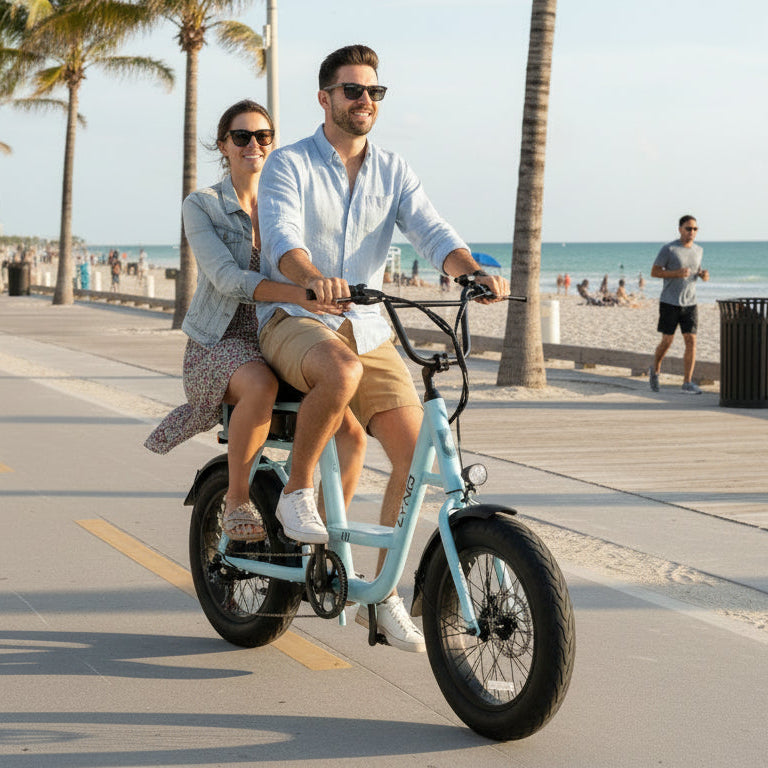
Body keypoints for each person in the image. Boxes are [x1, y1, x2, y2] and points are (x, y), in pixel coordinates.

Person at [256, 44, 509, 652]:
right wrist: (311, 275)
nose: (365, 100)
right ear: (325, 98)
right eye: (352, 90)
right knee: (338, 373)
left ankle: (383, 592)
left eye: (374, 92)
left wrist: (468, 268)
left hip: (370, 326)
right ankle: (295, 493)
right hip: (297, 314)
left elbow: (431, 230)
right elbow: (285, 238)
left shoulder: (393, 169)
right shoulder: (289, 165)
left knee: (416, 453)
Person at [144, 99, 365, 541]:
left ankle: (316, 537)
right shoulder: (203, 205)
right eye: (241, 137)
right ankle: (236, 499)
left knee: (353, 437)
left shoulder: (288, 201)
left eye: (263, 136)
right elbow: (227, 279)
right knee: (260, 384)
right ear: (223, 145)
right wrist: (304, 292)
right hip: (222, 339)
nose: (253, 145)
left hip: (282, 330)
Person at [649, 215, 709, 394]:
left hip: (690, 302)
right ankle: (656, 368)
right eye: (688, 228)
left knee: (691, 340)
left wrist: (704, 275)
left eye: (695, 229)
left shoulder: (699, 250)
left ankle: (687, 382)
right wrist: (676, 273)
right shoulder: (669, 249)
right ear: (680, 229)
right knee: (667, 341)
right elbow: (654, 272)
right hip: (669, 302)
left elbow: (697, 271)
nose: (692, 232)